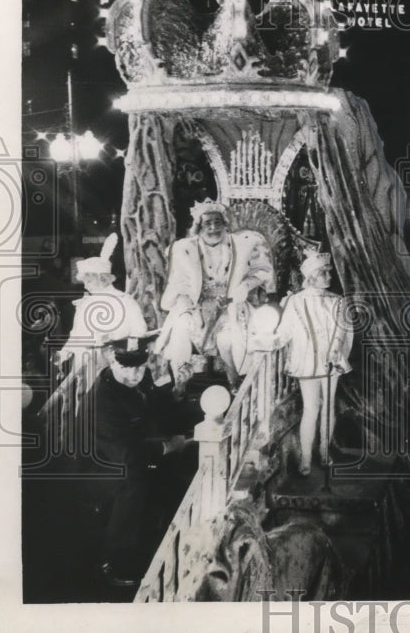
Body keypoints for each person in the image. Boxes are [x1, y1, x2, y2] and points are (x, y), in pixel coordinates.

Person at [81, 338, 198, 586]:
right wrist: (169, 446)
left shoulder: (139, 381)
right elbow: (125, 454)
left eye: (139, 366)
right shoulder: (101, 400)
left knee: (173, 469)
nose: (134, 373)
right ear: (112, 359)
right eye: (127, 366)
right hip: (100, 467)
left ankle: (165, 539)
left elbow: (155, 408)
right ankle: (114, 563)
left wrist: (178, 390)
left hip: (132, 454)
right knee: (133, 481)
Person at [155, 200, 275, 392]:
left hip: (231, 304)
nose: (213, 227)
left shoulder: (242, 244)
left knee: (227, 337)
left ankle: (234, 379)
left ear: (225, 223)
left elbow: (262, 272)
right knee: (180, 331)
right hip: (194, 305)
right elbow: (180, 286)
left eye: (217, 222)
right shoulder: (184, 249)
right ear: (199, 226)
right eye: (207, 223)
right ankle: (180, 383)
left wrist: (243, 287)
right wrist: (194, 314)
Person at [272, 248, 353, 475]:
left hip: (331, 360)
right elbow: (285, 331)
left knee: (328, 405)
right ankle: (306, 458)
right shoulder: (296, 301)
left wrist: (336, 348)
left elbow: (342, 328)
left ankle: (324, 451)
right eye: (323, 273)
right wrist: (268, 340)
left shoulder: (337, 301)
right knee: (311, 408)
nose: (329, 277)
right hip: (306, 359)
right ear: (311, 276)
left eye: (329, 272)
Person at [56, 233, 149, 379]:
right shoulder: (85, 304)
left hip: (116, 366)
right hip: (86, 365)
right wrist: (64, 353)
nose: (86, 286)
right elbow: (77, 334)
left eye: (89, 281)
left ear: (103, 279)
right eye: (84, 281)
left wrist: (114, 337)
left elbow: (140, 330)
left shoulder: (125, 301)